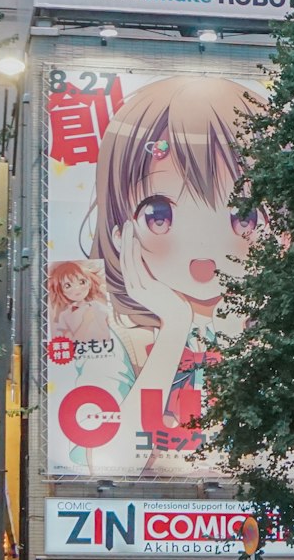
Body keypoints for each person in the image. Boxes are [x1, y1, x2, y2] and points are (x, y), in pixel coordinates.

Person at [86, 75, 265, 477]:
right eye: (160, 215)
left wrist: (239, 329)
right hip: (136, 516)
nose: (203, 250)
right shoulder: (120, 335)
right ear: (120, 232)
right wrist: (172, 330)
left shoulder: (287, 337)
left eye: (243, 216)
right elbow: (106, 465)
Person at [47, 259, 114, 344]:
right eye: (68, 285)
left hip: (103, 350)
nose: (77, 289)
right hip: (82, 352)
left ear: (89, 283)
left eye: (82, 282)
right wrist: (85, 321)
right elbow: (70, 343)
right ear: (62, 291)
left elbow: (111, 330)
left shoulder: (97, 306)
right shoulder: (64, 316)